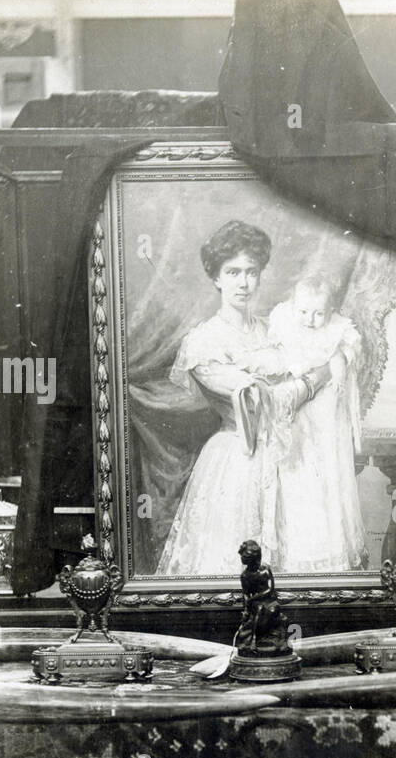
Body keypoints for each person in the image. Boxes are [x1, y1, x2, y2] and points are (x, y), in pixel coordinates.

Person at [155, 221, 331, 577]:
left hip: (291, 460)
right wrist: (312, 380)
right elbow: (259, 400)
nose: (244, 282)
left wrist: (317, 372)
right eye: (233, 272)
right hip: (237, 457)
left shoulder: (277, 328)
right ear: (216, 278)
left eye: (252, 272)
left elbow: (323, 358)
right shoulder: (203, 342)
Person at [266, 275, 367, 573]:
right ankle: (298, 552)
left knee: (326, 471)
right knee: (299, 474)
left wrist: (336, 377)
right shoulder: (285, 321)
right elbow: (282, 354)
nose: (310, 320)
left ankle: (329, 554)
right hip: (296, 411)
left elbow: (339, 359)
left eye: (318, 313)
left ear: (330, 310)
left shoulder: (337, 330)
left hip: (324, 411)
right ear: (294, 305)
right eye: (304, 312)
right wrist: (294, 367)